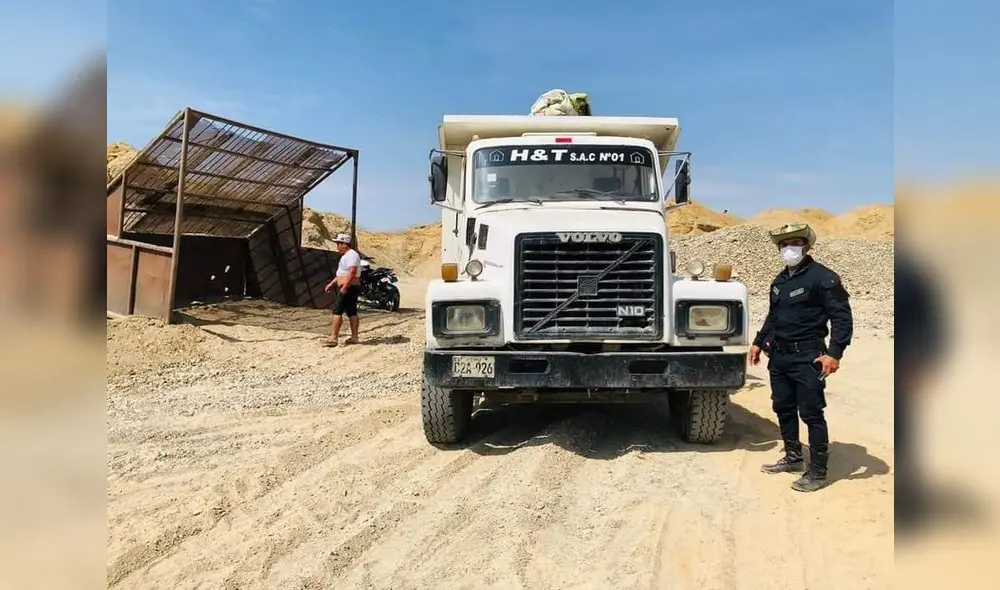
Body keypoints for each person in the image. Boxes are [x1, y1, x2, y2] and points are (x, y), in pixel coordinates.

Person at [748, 223, 853, 492]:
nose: (788, 249)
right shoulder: (780, 281)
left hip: (808, 356)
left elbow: (842, 318)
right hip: (780, 356)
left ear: (807, 247)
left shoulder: (823, 278)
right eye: (783, 245)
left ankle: (817, 472)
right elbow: (774, 316)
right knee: (782, 407)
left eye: (794, 244)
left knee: (811, 413)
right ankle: (793, 456)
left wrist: (834, 353)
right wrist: (759, 342)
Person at [323, 233, 362, 347]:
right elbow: (342, 273)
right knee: (351, 311)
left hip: (348, 286)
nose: (337, 246)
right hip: (349, 285)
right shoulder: (347, 256)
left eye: (339, 244)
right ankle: (354, 337)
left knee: (337, 310)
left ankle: (333, 337)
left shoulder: (351, 255)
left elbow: (352, 271)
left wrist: (344, 287)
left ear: (345, 244)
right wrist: (332, 283)